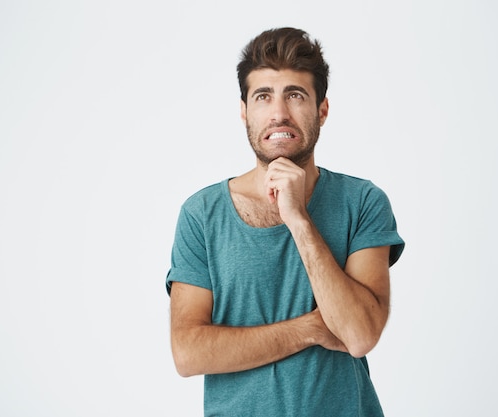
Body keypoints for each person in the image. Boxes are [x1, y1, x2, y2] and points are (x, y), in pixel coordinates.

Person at [166, 27, 405, 417]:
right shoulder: (201, 214)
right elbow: (188, 353)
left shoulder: (362, 202)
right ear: (244, 111)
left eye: (295, 95)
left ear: (322, 110)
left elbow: (360, 334)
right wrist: (310, 329)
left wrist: (298, 219)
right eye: (263, 97)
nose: (279, 113)